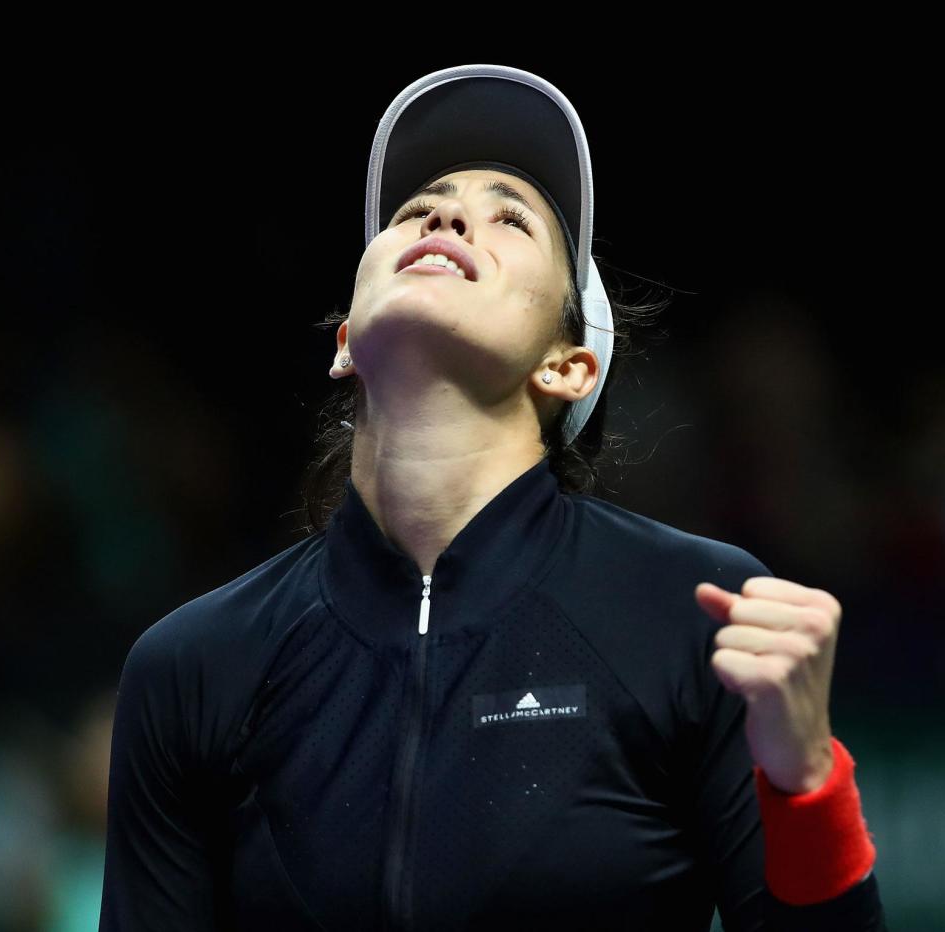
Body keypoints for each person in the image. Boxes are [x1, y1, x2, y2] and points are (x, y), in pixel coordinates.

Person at [98, 64, 888, 931]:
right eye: (414, 211)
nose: (443, 214)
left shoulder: (699, 616)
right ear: (347, 346)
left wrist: (807, 784)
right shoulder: (192, 666)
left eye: (510, 216)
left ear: (567, 365)